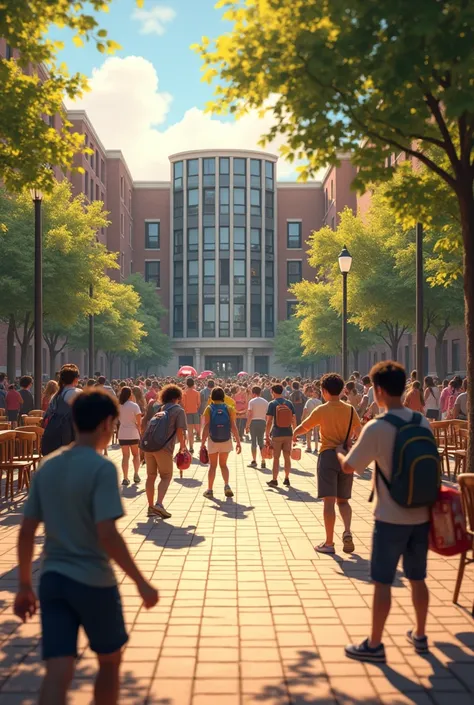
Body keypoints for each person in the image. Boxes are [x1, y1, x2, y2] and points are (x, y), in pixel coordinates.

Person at [14, 389, 158, 705]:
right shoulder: (102, 468)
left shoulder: (47, 466)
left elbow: (26, 533)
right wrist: (140, 581)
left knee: (58, 668)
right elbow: (107, 533)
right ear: (109, 424)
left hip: (52, 579)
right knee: (109, 660)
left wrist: (25, 584)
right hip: (94, 581)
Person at [340, 361, 432, 664]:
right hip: (421, 514)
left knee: (382, 580)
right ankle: (420, 634)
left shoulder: (378, 427)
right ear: (404, 387)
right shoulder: (422, 422)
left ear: (378, 390)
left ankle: (375, 644)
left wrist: (340, 453)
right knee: (418, 578)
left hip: (390, 517)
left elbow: (351, 466)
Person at [294, 373, 361, 554]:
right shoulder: (350, 410)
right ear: (341, 390)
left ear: (323, 391)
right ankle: (347, 531)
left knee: (329, 502)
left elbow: (305, 427)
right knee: (344, 501)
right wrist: (349, 440)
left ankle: (329, 543)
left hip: (327, 456)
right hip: (345, 457)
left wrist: (293, 434)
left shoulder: (322, 410)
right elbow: (359, 432)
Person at [142, 384, 187, 519]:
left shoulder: (160, 409)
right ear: (177, 398)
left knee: (151, 476)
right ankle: (159, 504)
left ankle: (150, 507)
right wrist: (183, 447)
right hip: (164, 448)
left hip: (149, 447)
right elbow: (180, 430)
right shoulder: (178, 410)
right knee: (166, 476)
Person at [201, 387, 241, 499]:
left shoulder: (209, 408)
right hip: (226, 439)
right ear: (223, 396)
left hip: (213, 440)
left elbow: (206, 427)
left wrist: (202, 443)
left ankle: (210, 490)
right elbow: (233, 426)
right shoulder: (229, 408)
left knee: (212, 466)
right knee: (223, 465)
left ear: (212, 397)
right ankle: (227, 486)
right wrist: (238, 442)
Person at [265, 384, 296, 488]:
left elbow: (269, 421)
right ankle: (287, 478)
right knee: (287, 457)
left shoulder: (272, 404)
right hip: (288, 433)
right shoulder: (289, 403)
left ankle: (274, 479)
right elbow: (294, 419)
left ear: (273, 392)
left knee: (276, 458)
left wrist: (267, 434)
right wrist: (295, 433)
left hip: (277, 433)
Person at [117, 387, 142, 486]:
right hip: (133, 433)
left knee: (125, 456)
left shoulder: (119, 406)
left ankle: (125, 477)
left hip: (122, 433)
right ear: (130, 394)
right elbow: (139, 422)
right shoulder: (134, 406)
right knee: (136, 455)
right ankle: (136, 474)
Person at [246, 386, 269, 469]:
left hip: (253, 422)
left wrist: (247, 425)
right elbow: (267, 415)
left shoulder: (251, 402)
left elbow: (250, 414)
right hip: (262, 421)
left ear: (253, 393)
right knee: (261, 442)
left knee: (253, 442)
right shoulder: (266, 402)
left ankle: (254, 460)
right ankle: (263, 460)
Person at [182, 377, 201, 453]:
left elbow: (183, 404)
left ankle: (191, 447)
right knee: (197, 428)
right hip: (195, 412)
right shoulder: (197, 393)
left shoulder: (184, 393)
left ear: (187, 384)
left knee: (189, 431)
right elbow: (199, 403)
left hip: (187, 412)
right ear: (193, 384)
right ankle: (198, 436)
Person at [302, 385, 322, 453]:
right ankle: (316, 448)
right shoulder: (319, 401)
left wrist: (303, 418)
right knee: (316, 434)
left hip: (309, 418)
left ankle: (309, 447)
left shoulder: (309, 401)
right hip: (318, 419)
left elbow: (305, 410)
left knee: (308, 433)